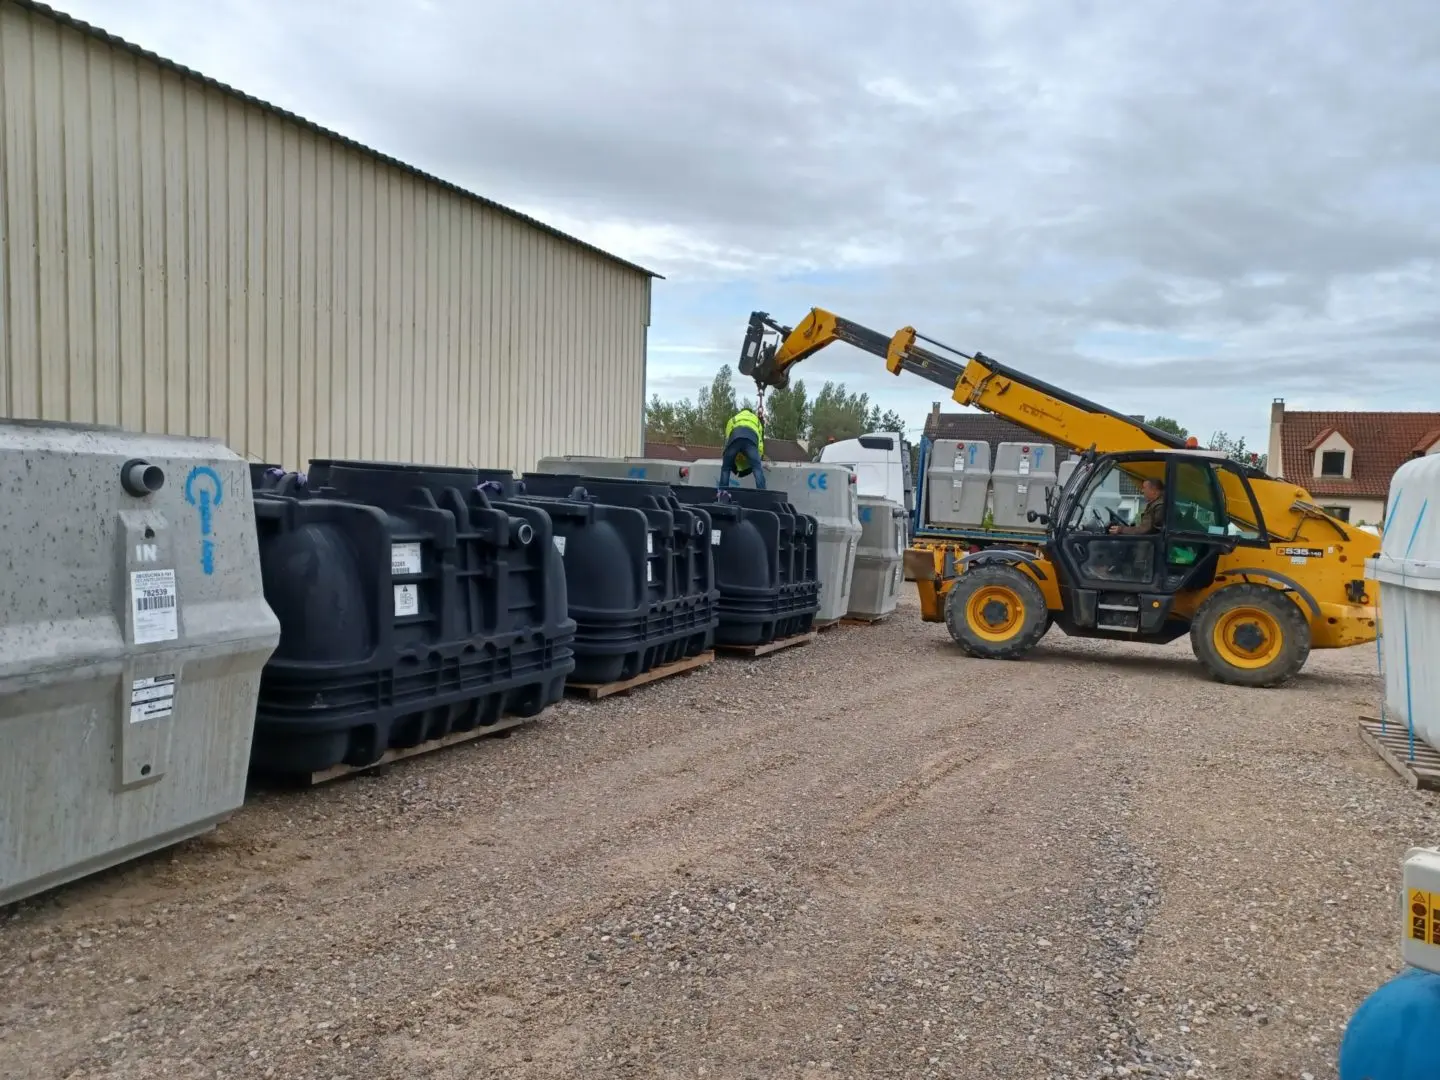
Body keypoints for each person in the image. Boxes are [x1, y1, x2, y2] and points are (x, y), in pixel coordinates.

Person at [718, 407, 767, 490]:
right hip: (750, 440)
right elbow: (760, 443)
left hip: (735, 438)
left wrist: (727, 454)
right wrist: (759, 457)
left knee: (726, 468)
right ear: (751, 413)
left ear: (741, 412)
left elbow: (728, 437)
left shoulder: (734, 419)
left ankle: (723, 493)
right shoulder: (757, 421)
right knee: (757, 468)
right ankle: (762, 493)